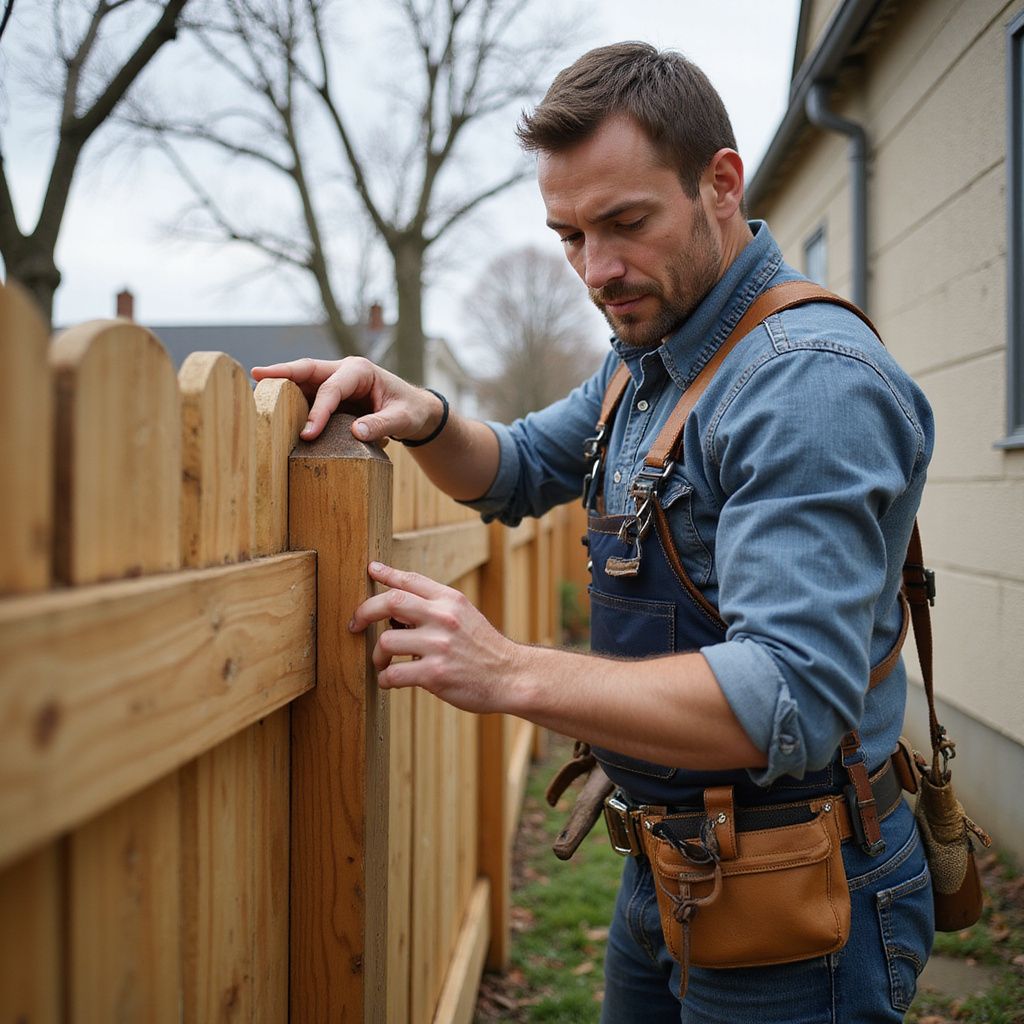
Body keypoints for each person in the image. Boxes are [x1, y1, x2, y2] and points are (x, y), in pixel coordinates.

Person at [253, 42, 935, 1023]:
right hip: (666, 863)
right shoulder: (648, 358)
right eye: (568, 234)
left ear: (719, 183)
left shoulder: (803, 384)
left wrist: (511, 671)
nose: (596, 269)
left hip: (798, 891)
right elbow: (517, 467)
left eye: (624, 223)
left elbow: (791, 695)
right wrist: (426, 413)